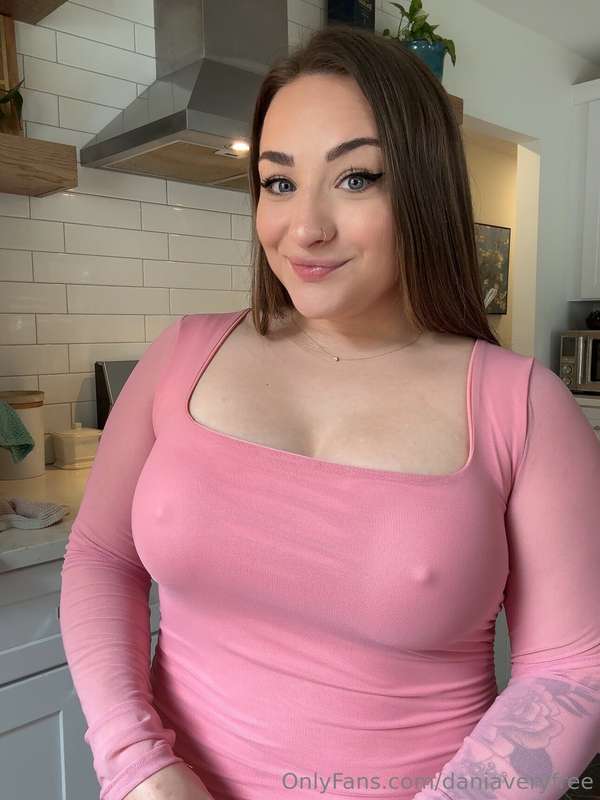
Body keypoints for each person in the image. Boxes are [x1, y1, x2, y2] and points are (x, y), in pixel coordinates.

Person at [59, 24, 600, 800]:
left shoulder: (524, 407)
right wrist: (137, 765)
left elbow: (570, 669)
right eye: (278, 183)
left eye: (355, 178)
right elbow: (101, 558)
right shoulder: (181, 355)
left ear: (422, 187)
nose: (305, 228)